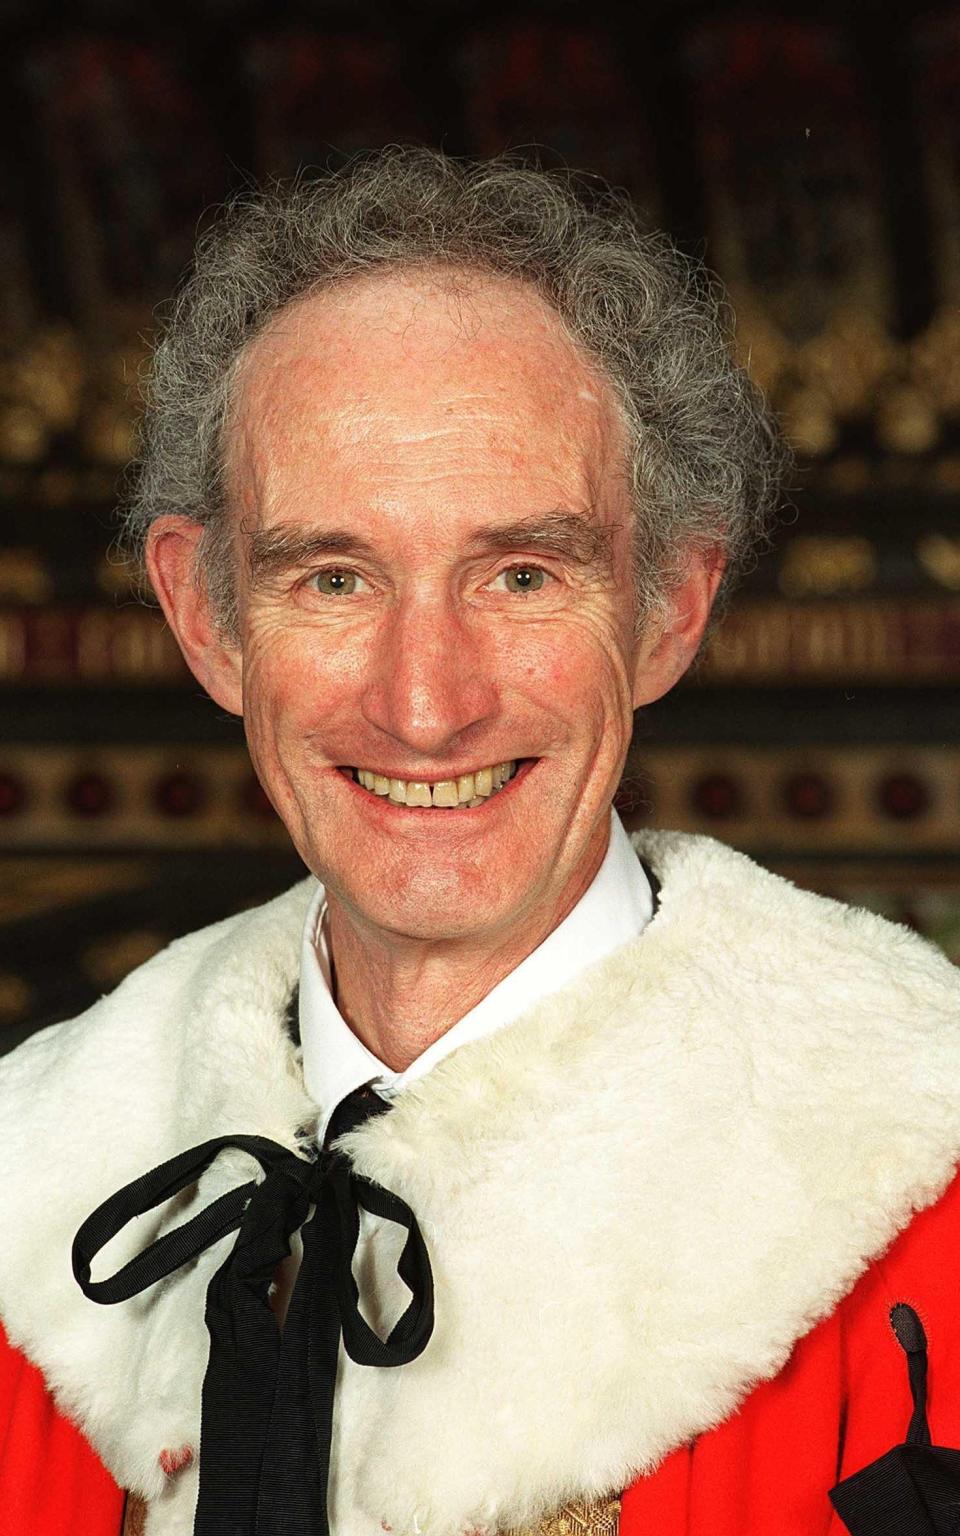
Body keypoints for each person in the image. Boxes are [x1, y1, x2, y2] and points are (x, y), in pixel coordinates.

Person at [1, 148, 958, 1536]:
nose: (426, 702)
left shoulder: (923, 1199)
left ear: (669, 608)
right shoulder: (31, 1199)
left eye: (520, 573)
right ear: (205, 619)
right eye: (334, 577)